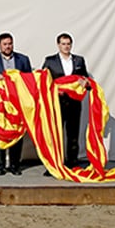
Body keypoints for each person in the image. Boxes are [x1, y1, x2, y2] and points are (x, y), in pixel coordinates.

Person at [0, 32, 32, 176]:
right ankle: (0, 166)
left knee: (17, 133)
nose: (8, 46)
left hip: (17, 103)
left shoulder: (23, 59)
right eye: (5, 44)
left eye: (10, 43)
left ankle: (15, 165)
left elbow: (29, 79)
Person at [42, 32, 89, 169]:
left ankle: (72, 163)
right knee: (55, 134)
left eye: (68, 44)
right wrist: (54, 90)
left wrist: (84, 82)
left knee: (73, 134)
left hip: (74, 103)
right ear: (58, 45)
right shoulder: (50, 61)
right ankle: (54, 165)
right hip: (57, 103)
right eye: (63, 44)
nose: (66, 46)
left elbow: (86, 78)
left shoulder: (79, 60)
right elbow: (43, 81)